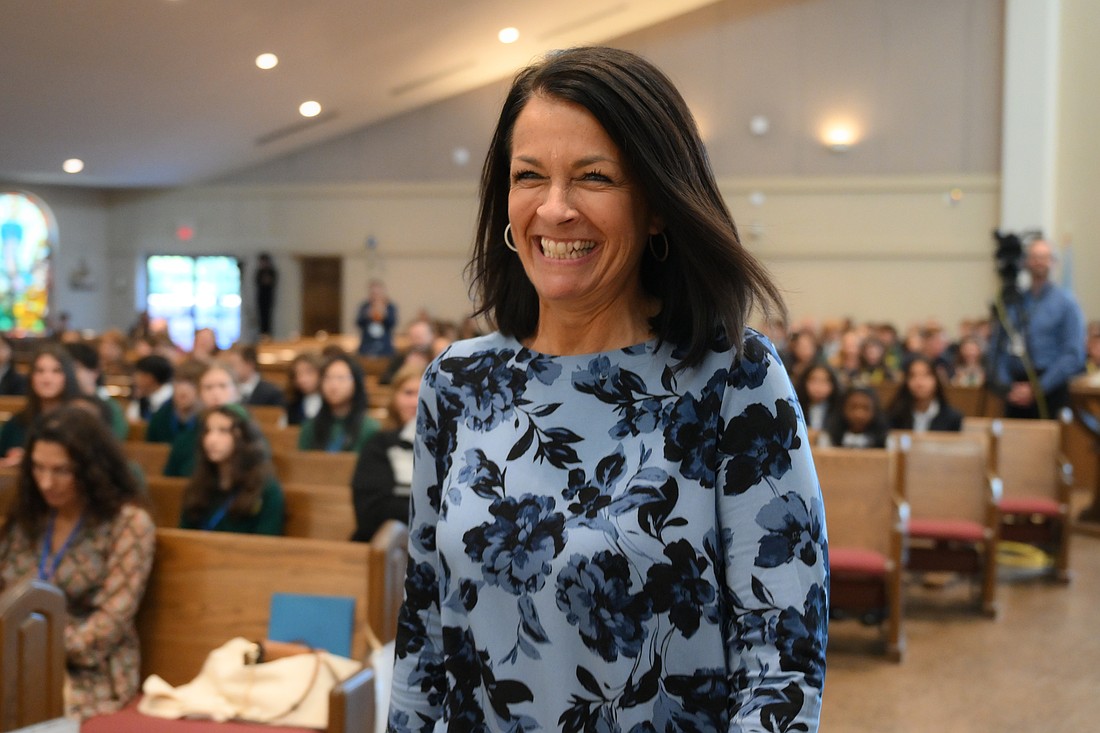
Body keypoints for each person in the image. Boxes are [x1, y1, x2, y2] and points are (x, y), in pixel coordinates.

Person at [388, 47, 827, 732]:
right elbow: (422, 638)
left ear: (657, 206)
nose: (555, 209)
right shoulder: (459, 381)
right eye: (529, 176)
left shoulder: (734, 379)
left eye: (593, 177)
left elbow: (783, 662)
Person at [0, 405, 156, 719]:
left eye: (61, 471)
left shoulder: (128, 523)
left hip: (90, 667)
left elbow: (110, 623)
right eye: (37, 468)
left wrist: (32, 647)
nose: (46, 483)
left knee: (22, 706)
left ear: (91, 469)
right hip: (14, 653)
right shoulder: (30, 515)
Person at [991, 238, 1087, 419]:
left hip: (1051, 389)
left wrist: (1039, 387)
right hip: (1015, 391)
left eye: (1044, 257)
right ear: (1025, 262)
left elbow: (1073, 355)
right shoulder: (1014, 303)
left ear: (1054, 262)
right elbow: (1000, 348)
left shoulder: (1067, 303)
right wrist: (1007, 387)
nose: (1038, 261)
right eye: (1034, 256)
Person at [179, 404, 284, 535]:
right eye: (207, 431)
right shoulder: (198, 483)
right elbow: (185, 534)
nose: (211, 440)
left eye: (223, 431)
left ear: (243, 436)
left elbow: (267, 543)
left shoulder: (266, 488)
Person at [350, 364, 421, 542]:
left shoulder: (452, 449)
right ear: (394, 398)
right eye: (408, 393)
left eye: (424, 394)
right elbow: (371, 513)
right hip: (387, 546)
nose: (415, 402)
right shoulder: (379, 444)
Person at [0, 343, 83, 466]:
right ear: (31, 377)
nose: (47, 378)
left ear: (68, 376)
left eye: (56, 371)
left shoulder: (81, 423)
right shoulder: (15, 423)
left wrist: (29, 459)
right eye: (40, 371)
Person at [163, 360, 242, 477]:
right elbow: (170, 484)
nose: (216, 393)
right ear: (200, 394)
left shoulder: (250, 436)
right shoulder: (185, 440)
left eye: (222, 386)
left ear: (237, 391)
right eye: (208, 388)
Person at [297, 353, 380, 453]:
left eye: (341, 378)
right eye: (328, 378)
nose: (333, 385)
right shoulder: (310, 427)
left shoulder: (370, 428)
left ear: (356, 383)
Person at [65, 341, 129, 440]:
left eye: (76, 368)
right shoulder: (61, 403)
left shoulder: (110, 408)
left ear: (95, 371)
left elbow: (111, 446)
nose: (68, 375)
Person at [887, 355, 963, 432]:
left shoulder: (952, 417)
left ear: (936, 379)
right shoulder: (895, 414)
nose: (919, 382)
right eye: (913, 376)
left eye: (926, 375)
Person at [145, 358, 205, 444]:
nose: (183, 389)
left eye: (192, 383)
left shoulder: (208, 418)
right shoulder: (162, 414)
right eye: (179, 381)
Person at [822, 386, 889, 448]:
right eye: (853, 407)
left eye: (865, 408)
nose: (859, 414)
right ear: (842, 408)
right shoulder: (829, 437)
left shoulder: (885, 439)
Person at [224, 343, 285, 407]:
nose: (230, 369)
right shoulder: (227, 390)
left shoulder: (272, 393)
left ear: (249, 365)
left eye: (233, 365)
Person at [125, 354, 174, 422]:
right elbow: (132, 421)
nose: (135, 379)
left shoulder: (172, 401)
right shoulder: (143, 398)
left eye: (139, 374)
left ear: (150, 378)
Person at [796, 361, 843, 433]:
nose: (818, 386)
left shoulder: (840, 409)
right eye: (813, 380)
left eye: (825, 381)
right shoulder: (795, 407)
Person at [356, 279, 397, 357]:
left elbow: (392, 323)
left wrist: (385, 315)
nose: (375, 296)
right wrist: (367, 315)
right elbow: (358, 323)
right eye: (373, 293)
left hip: (385, 348)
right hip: (366, 346)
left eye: (378, 293)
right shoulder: (364, 306)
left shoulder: (390, 307)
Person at [284, 351, 323, 426]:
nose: (302, 380)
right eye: (297, 374)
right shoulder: (293, 404)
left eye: (309, 372)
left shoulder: (331, 402)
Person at [255, 252, 278, 338]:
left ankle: (268, 334)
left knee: (268, 317)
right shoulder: (259, 272)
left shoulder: (272, 272)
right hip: (261, 297)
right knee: (261, 317)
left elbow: (271, 282)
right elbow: (258, 283)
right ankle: (262, 334)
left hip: (269, 297)